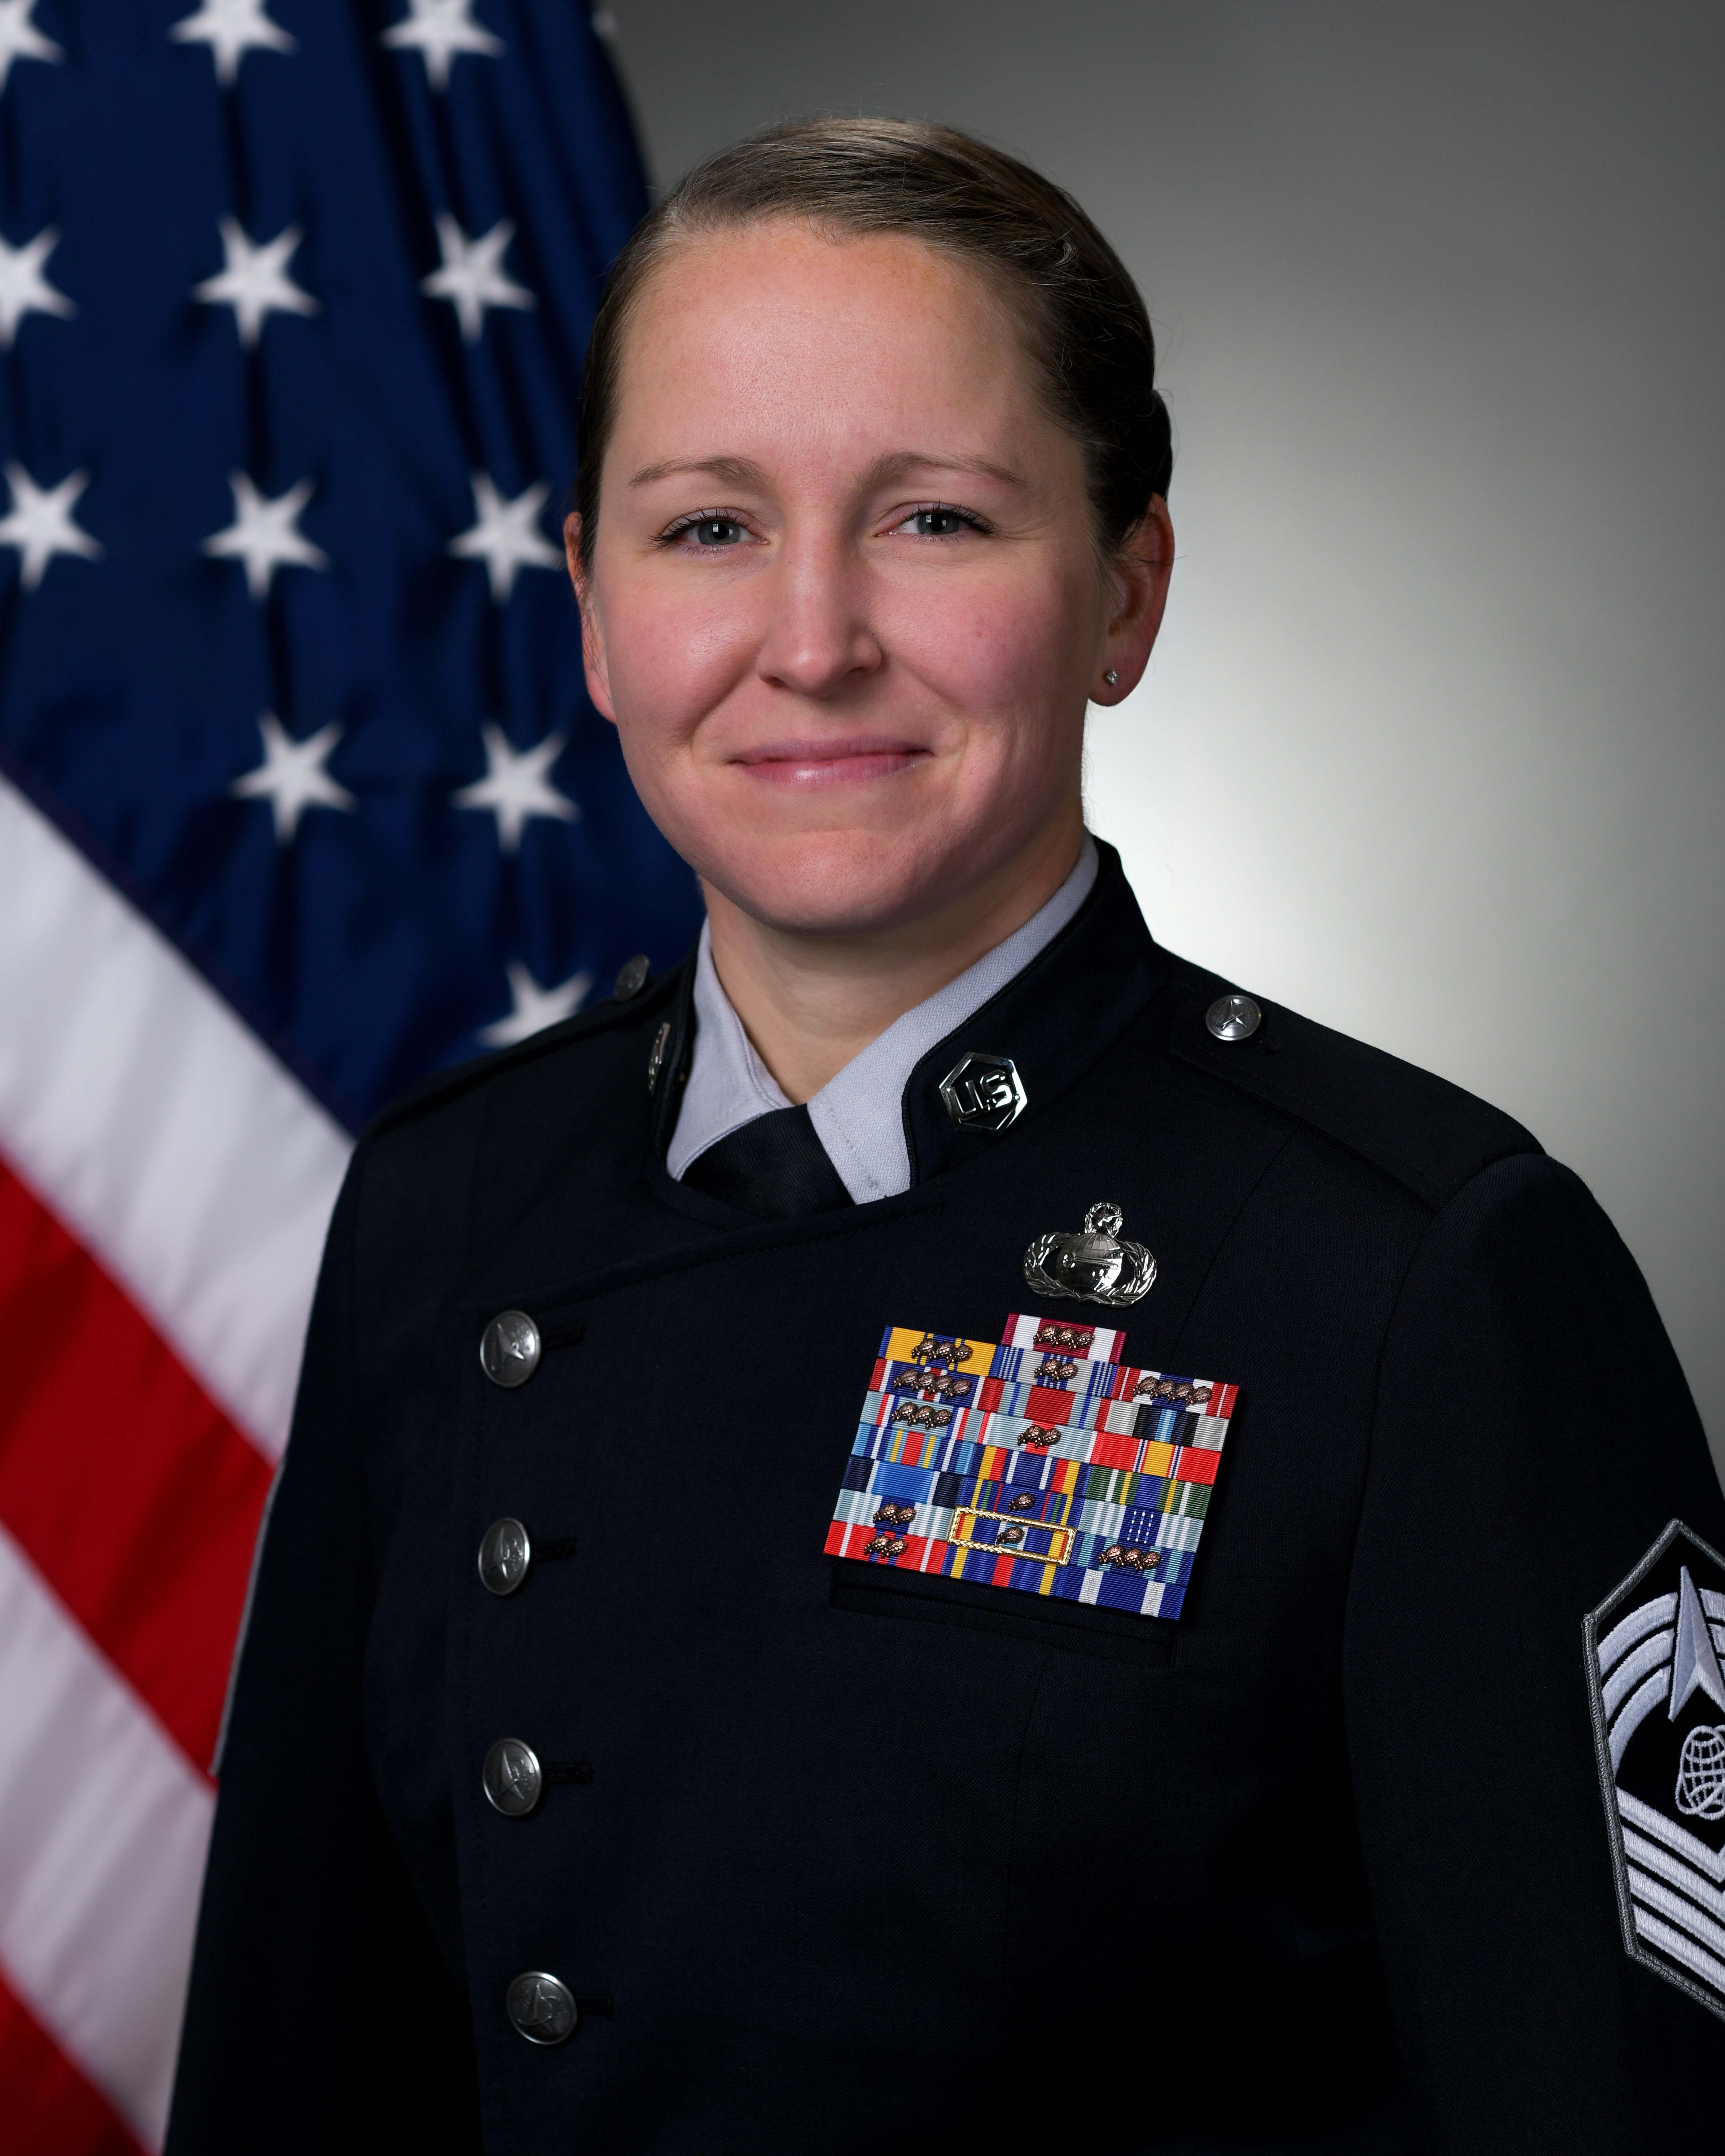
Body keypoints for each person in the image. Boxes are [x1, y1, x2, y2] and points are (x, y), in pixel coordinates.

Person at [166, 119, 1725, 2153]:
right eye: (707, 527)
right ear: (593, 613)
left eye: (935, 520)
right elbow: (298, 2068)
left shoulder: (1422, 1270)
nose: (812, 638)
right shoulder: (450, 1202)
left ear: (1125, 596)